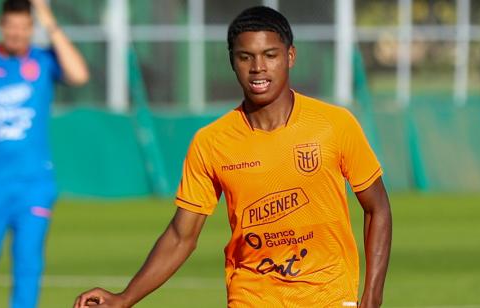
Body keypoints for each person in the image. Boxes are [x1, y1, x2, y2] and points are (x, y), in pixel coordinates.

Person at [74, 6, 391, 308]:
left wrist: (372, 297)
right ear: (232, 61)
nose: (258, 68)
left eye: (270, 55)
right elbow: (181, 236)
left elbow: (377, 209)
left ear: (290, 56)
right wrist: (124, 297)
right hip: (251, 297)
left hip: (329, 297)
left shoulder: (334, 125)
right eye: (245, 57)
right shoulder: (211, 142)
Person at [0, 0, 89, 307]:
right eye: (12, 26)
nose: (17, 34)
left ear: (31, 29)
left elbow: (78, 75)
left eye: (24, 27)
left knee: (28, 266)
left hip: (34, 185)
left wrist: (46, 16)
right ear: (1, 26)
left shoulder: (43, 60)